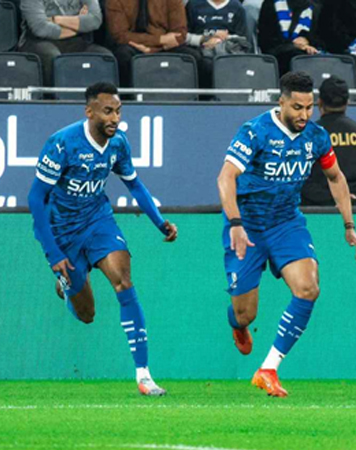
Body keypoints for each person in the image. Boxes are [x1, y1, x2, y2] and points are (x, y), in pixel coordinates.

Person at [217, 71, 356, 397]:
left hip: (286, 223)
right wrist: (236, 223)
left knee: (308, 287)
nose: (304, 115)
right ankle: (238, 325)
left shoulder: (316, 136)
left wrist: (349, 226)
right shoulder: (255, 131)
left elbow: (336, 178)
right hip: (248, 225)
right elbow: (226, 177)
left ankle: (268, 368)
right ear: (281, 102)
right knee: (245, 313)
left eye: (309, 107)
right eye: (297, 107)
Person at [27, 82, 178, 396]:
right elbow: (35, 198)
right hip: (63, 231)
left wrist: (159, 222)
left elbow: (134, 184)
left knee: (123, 280)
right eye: (108, 111)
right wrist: (53, 253)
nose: (115, 118)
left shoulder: (118, 143)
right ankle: (66, 287)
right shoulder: (62, 143)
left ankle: (144, 375)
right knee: (87, 314)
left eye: (119, 111)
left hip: (98, 221)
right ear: (89, 111)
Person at [301, 76, 356, 206]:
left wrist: (333, 198)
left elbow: (298, 179)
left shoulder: (307, 135)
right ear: (347, 102)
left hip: (317, 212)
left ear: (319, 102)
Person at [105, 0, 199, 87]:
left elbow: (180, 35)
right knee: (123, 55)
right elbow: (120, 35)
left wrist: (151, 50)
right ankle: (127, 98)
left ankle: (195, 98)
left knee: (193, 56)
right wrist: (160, 40)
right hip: (135, 46)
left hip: (165, 47)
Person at [17, 0, 111, 86]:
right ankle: (54, 97)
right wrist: (78, 25)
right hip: (39, 41)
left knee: (104, 56)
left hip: (77, 41)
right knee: (51, 56)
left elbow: (95, 21)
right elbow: (41, 29)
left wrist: (57, 19)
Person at [185, 0, 251, 87]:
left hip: (228, 54)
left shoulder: (237, 7)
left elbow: (243, 40)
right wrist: (205, 39)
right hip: (200, 55)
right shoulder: (193, 5)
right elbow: (184, 37)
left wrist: (219, 41)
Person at [258, 0, 321, 75]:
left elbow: (319, 40)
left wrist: (308, 43)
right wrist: (293, 45)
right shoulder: (270, 4)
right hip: (277, 57)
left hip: (307, 57)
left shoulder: (315, 8)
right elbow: (265, 41)